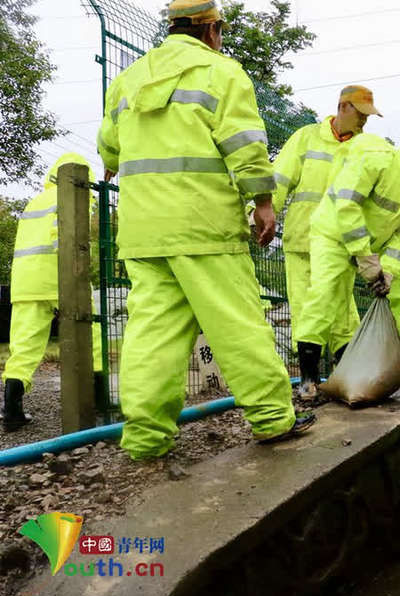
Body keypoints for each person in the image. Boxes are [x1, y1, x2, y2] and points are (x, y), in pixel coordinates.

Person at [96, 0, 314, 459]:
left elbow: (109, 149)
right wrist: (263, 202)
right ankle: (273, 418)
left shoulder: (128, 80)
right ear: (211, 29)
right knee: (237, 323)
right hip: (204, 225)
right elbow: (245, 146)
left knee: (152, 333)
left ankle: (145, 439)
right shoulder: (222, 73)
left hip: (143, 229)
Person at [295, 129, 400, 400]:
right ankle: (308, 378)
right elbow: (347, 207)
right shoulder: (376, 161)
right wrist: (364, 258)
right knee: (324, 295)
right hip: (333, 235)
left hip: (377, 244)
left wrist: (390, 271)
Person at [270, 85, 381, 360]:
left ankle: (345, 374)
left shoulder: (363, 147)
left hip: (339, 244)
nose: (365, 120)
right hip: (302, 240)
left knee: (342, 312)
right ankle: (310, 381)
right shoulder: (306, 138)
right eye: (361, 113)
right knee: (307, 307)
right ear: (343, 107)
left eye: (368, 115)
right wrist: (260, 212)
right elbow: (279, 178)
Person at [2, 153, 105, 431]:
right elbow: (70, 236)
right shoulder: (75, 194)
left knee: (23, 346)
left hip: (25, 281)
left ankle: (11, 412)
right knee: (91, 332)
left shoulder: (33, 202)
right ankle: (100, 401)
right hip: (61, 275)